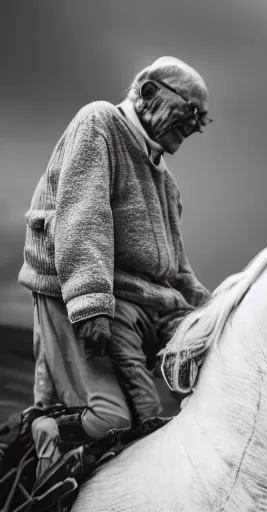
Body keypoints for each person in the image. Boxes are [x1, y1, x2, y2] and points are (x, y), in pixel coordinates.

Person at [16, 56, 212, 479]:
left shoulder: (165, 178)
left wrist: (215, 312)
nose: (195, 125)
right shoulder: (99, 122)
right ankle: (47, 430)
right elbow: (82, 217)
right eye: (190, 111)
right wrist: (89, 303)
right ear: (147, 93)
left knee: (171, 412)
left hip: (136, 306)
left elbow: (176, 266)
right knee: (113, 420)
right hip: (80, 297)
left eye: (202, 118)